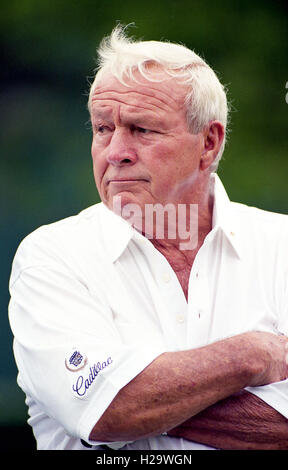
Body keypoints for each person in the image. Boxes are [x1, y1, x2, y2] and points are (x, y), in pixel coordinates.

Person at [8, 25, 288, 451]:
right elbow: (109, 410)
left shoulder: (281, 245)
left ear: (209, 143)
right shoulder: (51, 256)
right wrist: (252, 355)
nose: (115, 151)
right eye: (103, 128)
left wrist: (136, 400)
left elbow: (109, 409)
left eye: (142, 130)